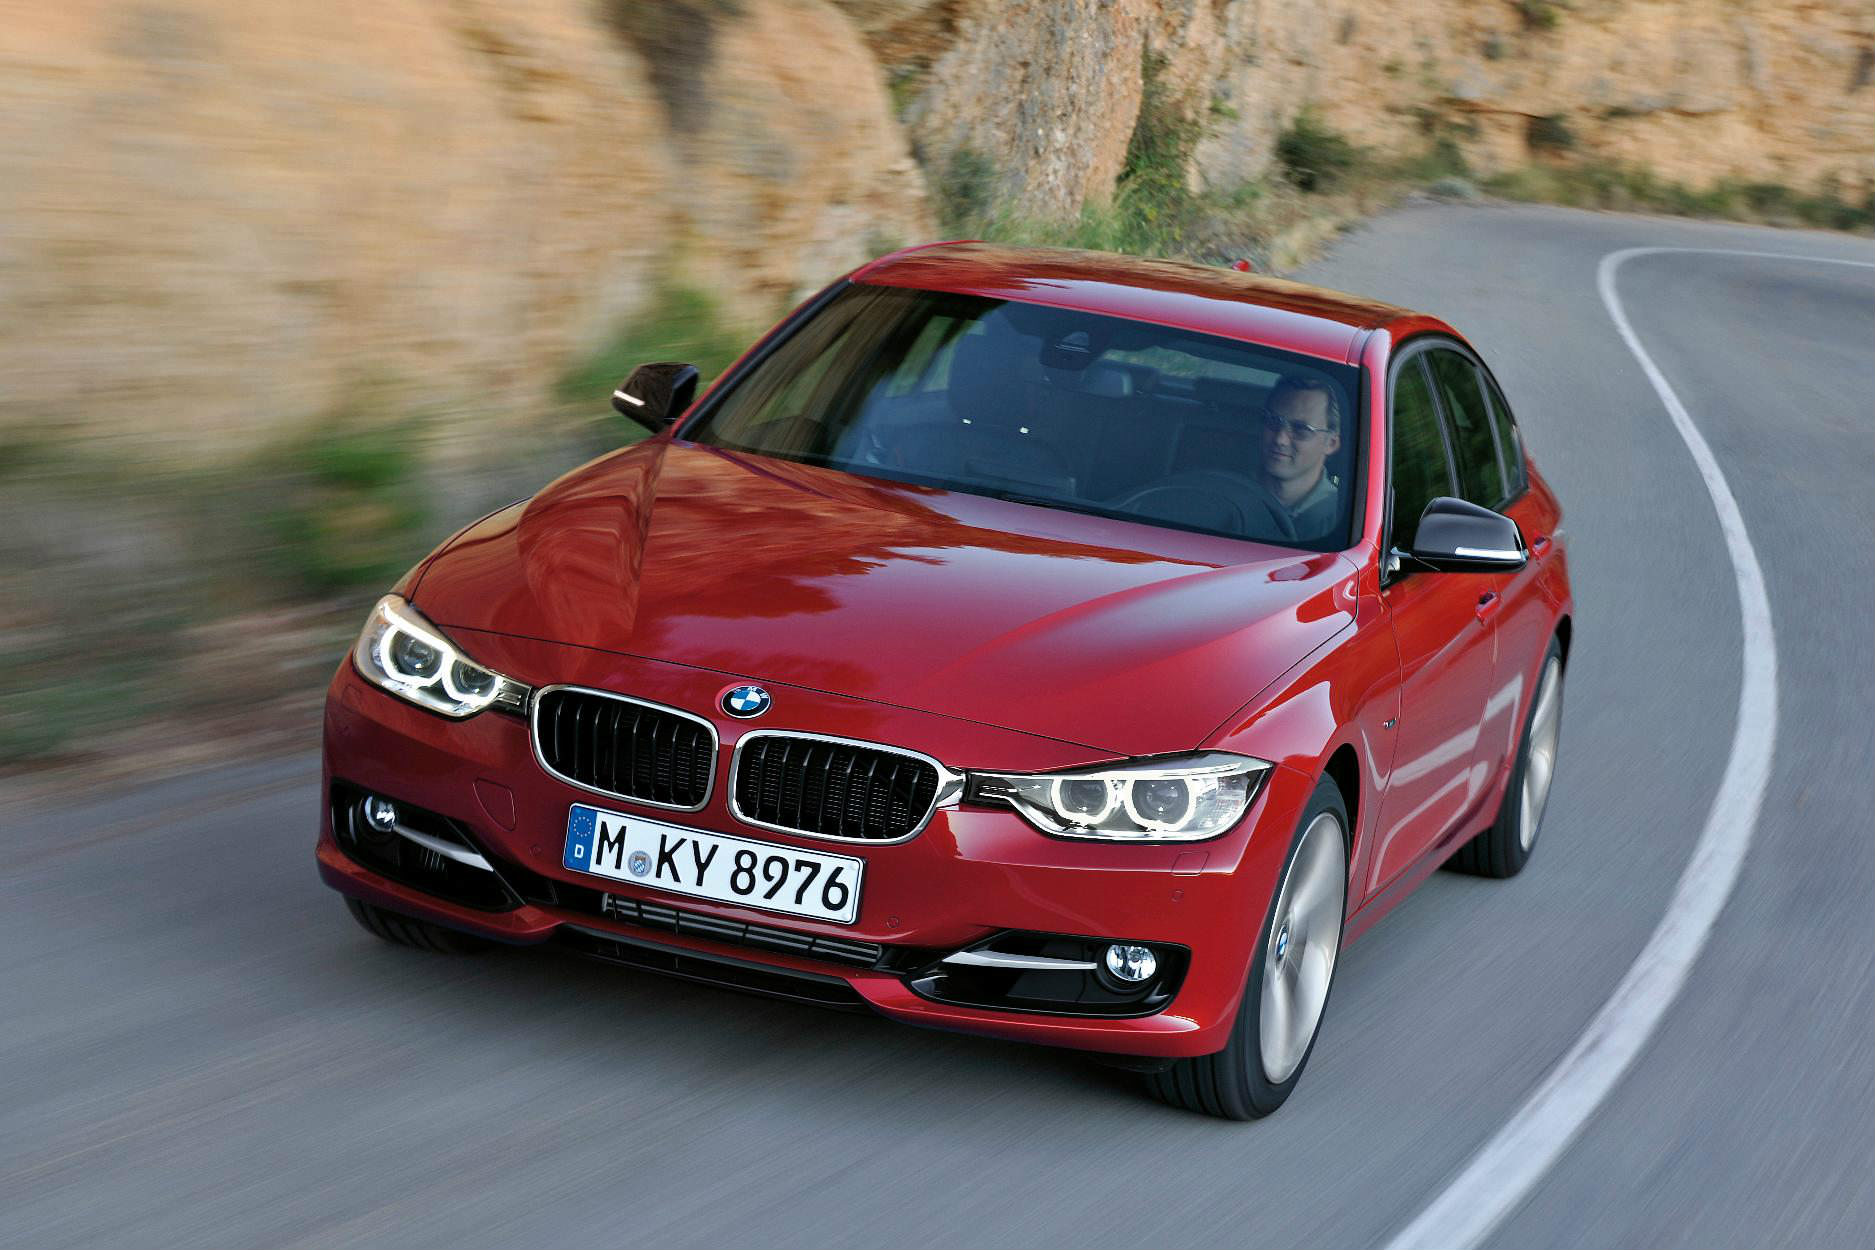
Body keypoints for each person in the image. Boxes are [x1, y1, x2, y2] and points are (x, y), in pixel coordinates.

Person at [1253, 374, 1343, 540]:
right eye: (1273, 421)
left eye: (1301, 429)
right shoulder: (1220, 494)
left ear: (1331, 443)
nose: (1280, 439)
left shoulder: (1344, 520)